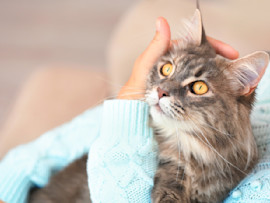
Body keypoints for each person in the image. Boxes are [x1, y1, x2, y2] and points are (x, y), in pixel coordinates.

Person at [0, 17, 269, 203]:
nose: (164, 90)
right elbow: (66, 141)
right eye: (166, 69)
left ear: (243, 88)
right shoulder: (140, 116)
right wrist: (128, 100)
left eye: (197, 88)